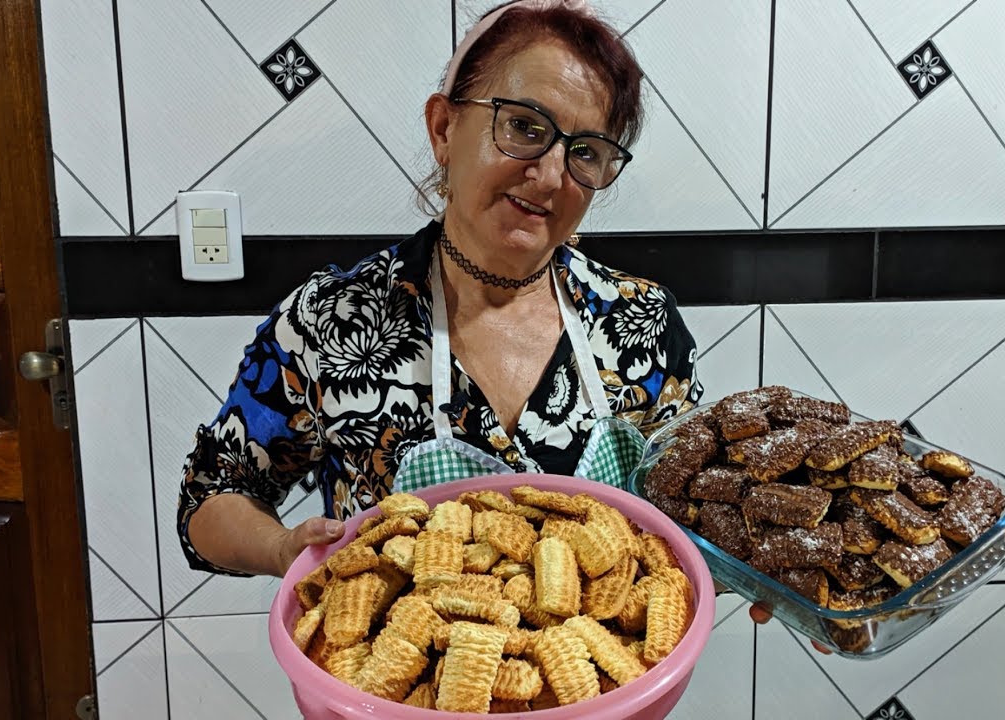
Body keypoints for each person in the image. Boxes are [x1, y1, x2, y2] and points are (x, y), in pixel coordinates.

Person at [174, 0, 702, 581]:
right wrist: (281, 550)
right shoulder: (329, 323)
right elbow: (212, 495)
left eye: (586, 152)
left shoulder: (642, 323)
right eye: (525, 126)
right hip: (392, 674)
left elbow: (696, 515)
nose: (552, 175)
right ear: (444, 128)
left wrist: (788, 582)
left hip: (609, 674)